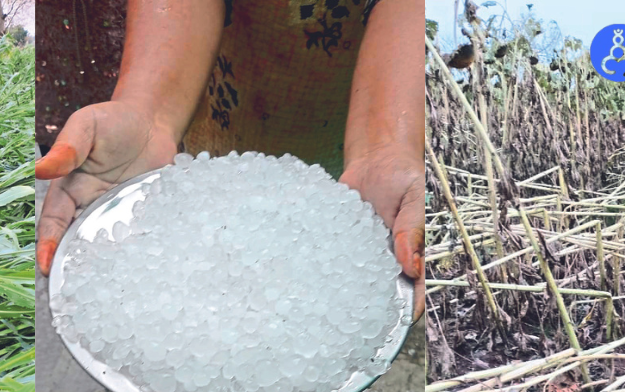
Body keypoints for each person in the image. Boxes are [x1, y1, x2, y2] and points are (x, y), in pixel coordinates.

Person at [36, 0, 424, 318]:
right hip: (222, 80)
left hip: (366, 88)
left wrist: (388, 145)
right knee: (202, 180)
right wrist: (148, 110)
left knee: (338, 210)